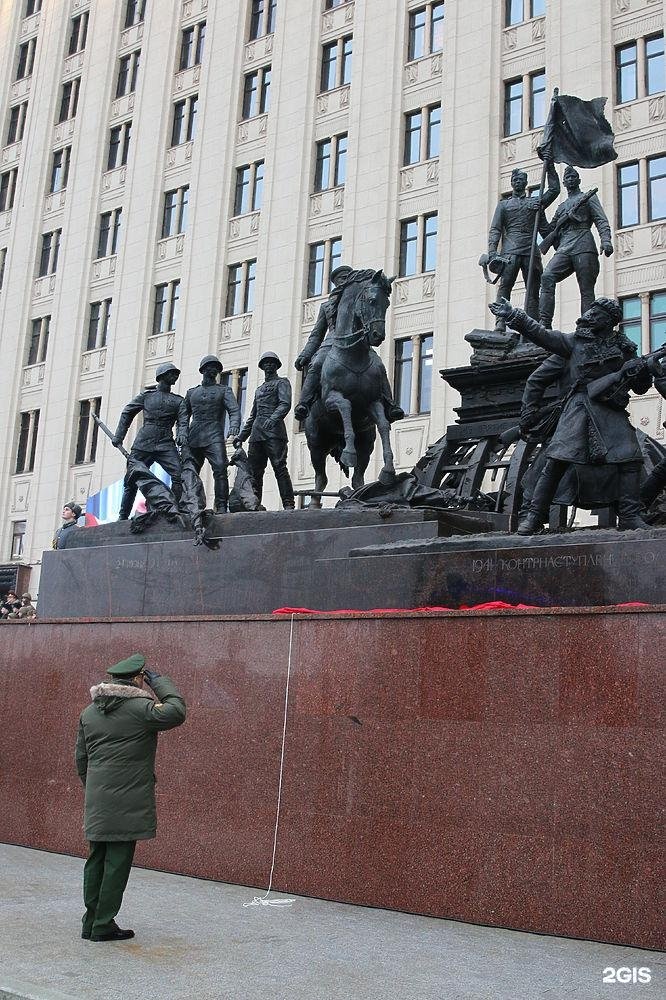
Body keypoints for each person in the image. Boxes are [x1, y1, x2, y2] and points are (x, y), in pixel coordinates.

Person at [489, 295, 652, 534]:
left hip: (611, 411)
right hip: (578, 408)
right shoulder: (574, 342)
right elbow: (542, 335)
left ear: (609, 321)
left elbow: (640, 387)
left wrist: (643, 371)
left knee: (630, 458)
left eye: (596, 314)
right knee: (556, 461)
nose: (589, 316)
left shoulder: (624, 347)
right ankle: (534, 517)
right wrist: (514, 316)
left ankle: (629, 515)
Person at [75, 653, 186, 942]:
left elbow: (81, 759)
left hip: (98, 798)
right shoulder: (142, 708)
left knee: (96, 859)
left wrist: (95, 788)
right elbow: (177, 711)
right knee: (117, 862)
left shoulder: (89, 712)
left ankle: (90, 922)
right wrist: (160, 683)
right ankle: (103, 925)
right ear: (138, 679)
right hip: (128, 799)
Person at [293, 265, 403, 422]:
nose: (343, 281)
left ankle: (390, 405)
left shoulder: (358, 298)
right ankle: (303, 403)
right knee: (316, 364)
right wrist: (306, 353)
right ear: (335, 283)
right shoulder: (327, 306)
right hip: (331, 343)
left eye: (346, 278)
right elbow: (317, 334)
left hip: (358, 342)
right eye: (340, 279)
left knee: (378, 365)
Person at [485, 161, 560, 332]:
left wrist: (549, 166)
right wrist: (491, 252)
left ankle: (532, 322)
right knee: (505, 286)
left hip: (530, 251)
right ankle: (500, 321)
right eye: (516, 179)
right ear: (512, 182)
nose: (518, 182)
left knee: (533, 289)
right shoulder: (503, 205)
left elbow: (554, 191)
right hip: (510, 252)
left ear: (526, 183)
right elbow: (495, 229)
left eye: (522, 180)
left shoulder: (534, 203)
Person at [539, 165, 613, 328]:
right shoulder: (562, 207)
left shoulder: (588, 198)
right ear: (564, 182)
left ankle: (587, 326)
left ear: (578, 180)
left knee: (586, 289)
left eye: (573, 177)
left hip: (584, 243)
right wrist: (540, 213)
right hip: (565, 247)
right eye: (568, 178)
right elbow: (549, 232)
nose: (571, 180)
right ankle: (544, 323)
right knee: (547, 276)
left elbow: (601, 220)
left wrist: (606, 240)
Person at [113, 362, 188, 521]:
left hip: (165, 442)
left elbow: (183, 421)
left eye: (176, 374)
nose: (175, 377)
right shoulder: (146, 396)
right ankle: (122, 516)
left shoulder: (179, 401)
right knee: (132, 478)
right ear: (162, 376)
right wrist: (119, 436)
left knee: (179, 474)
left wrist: (182, 434)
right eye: (172, 373)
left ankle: (175, 508)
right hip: (144, 442)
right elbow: (127, 412)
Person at [233, 352, 295, 510]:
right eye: (265, 363)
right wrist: (241, 436)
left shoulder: (282, 382)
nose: (268, 365)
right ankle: (254, 504)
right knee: (254, 472)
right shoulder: (259, 390)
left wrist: (273, 418)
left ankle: (288, 503)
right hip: (256, 435)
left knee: (279, 467)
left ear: (276, 365)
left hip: (275, 433)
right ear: (262, 367)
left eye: (271, 362)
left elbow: (285, 404)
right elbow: (253, 416)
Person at [184, 356, 241, 513]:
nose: (213, 370)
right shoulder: (191, 393)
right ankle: (188, 504)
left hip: (214, 435)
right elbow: (183, 416)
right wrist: (181, 433)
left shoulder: (224, 390)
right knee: (189, 471)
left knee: (221, 468)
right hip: (194, 437)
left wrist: (234, 426)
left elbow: (234, 410)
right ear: (202, 370)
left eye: (216, 368)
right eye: (210, 367)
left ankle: (222, 505)